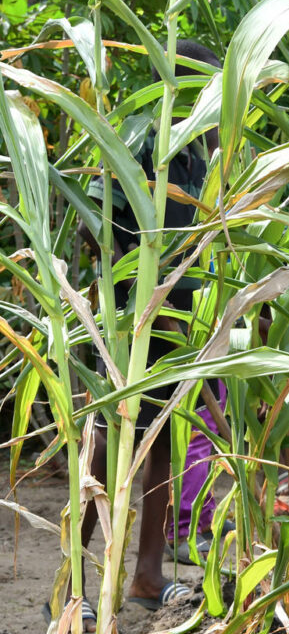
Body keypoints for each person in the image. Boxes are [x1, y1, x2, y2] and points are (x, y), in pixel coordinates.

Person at [54, 41, 222, 628]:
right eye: (205, 87)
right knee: (106, 447)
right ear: (177, 86)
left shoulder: (194, 152)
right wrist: (138, 288)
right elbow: (93, 219)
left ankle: (148, 576)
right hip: (130, 319)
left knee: (163, 446)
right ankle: (74, 582)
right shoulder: (140, 143)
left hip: (173, 313)